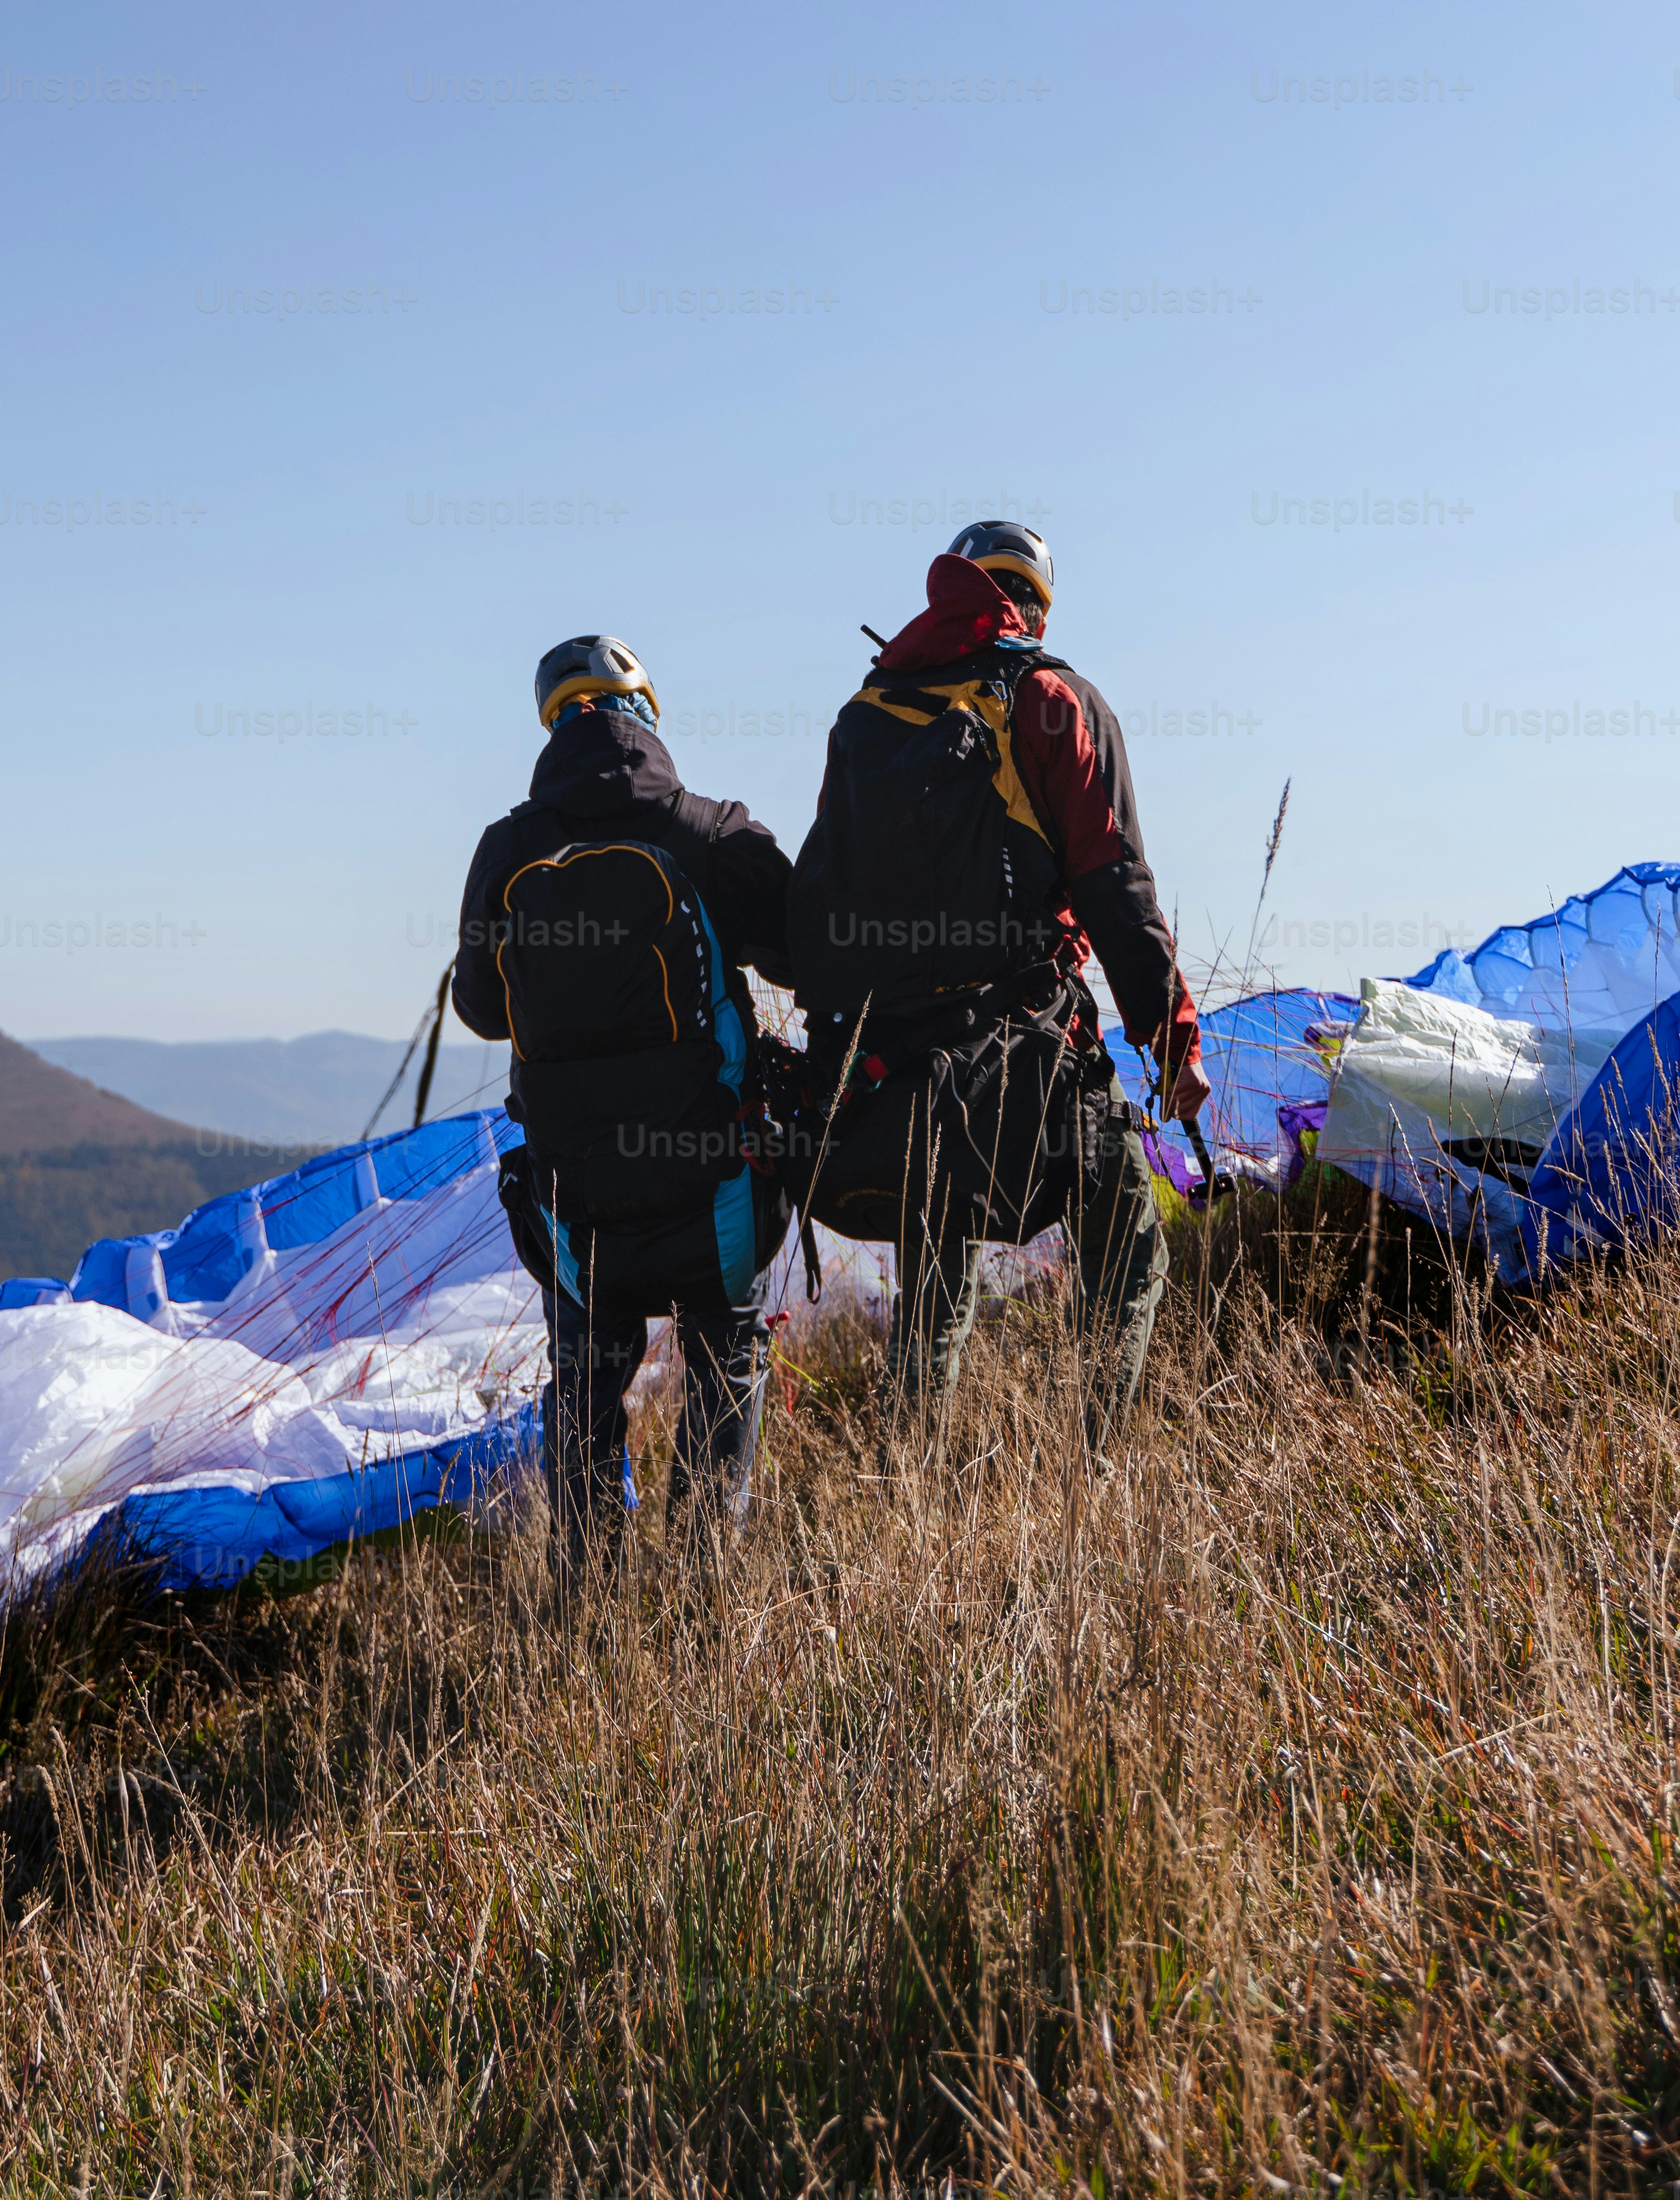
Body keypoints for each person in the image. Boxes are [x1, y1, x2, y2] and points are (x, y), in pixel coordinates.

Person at [784, 521, 1208, 1439]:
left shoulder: (866, 714)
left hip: (891, 1070)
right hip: (1027, 1050)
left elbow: (821, 893)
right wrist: (1173, 1041)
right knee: (1129, 1245)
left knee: (936, 1272)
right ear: (1034, 611)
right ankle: (1092, 1469)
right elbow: (1114, 883)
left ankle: (908, 1483)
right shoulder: (1051, 698)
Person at [451, 634, 799, 1571]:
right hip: (714, 1187)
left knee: (585, 1383)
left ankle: (588, 1595)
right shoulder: (711, 831)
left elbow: (481, 1009)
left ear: (553, 725)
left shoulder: (508, 851)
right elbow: (802, 953)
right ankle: (702, 1583)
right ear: (644, 712)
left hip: (579, 1205)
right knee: (726, 1357)